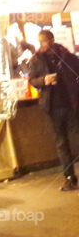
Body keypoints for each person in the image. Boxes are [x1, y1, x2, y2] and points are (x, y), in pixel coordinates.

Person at [28, 29, 79, 191]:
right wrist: (44, 80)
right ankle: (69, 177)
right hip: (52, 107)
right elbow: (32, 81)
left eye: (46, 41)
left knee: (76, 139)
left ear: (52, 40)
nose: (44, 45)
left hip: (71, 105)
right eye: (41, 42)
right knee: (61, 143)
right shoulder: (36, 60)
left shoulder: (67, 56)